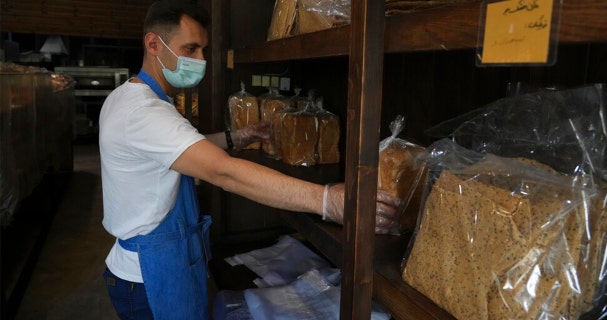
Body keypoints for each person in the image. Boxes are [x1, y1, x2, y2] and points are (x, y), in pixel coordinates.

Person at [99, 0, 401, 319]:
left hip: (155, 264)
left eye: (203, 49)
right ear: (153, 44)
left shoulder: (128, 96)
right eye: (190, 48)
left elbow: (174, 151)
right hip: (148, 277)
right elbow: (224, 172)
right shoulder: (144, 112)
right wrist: (329, 200)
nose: (201, 60)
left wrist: (237, 137)